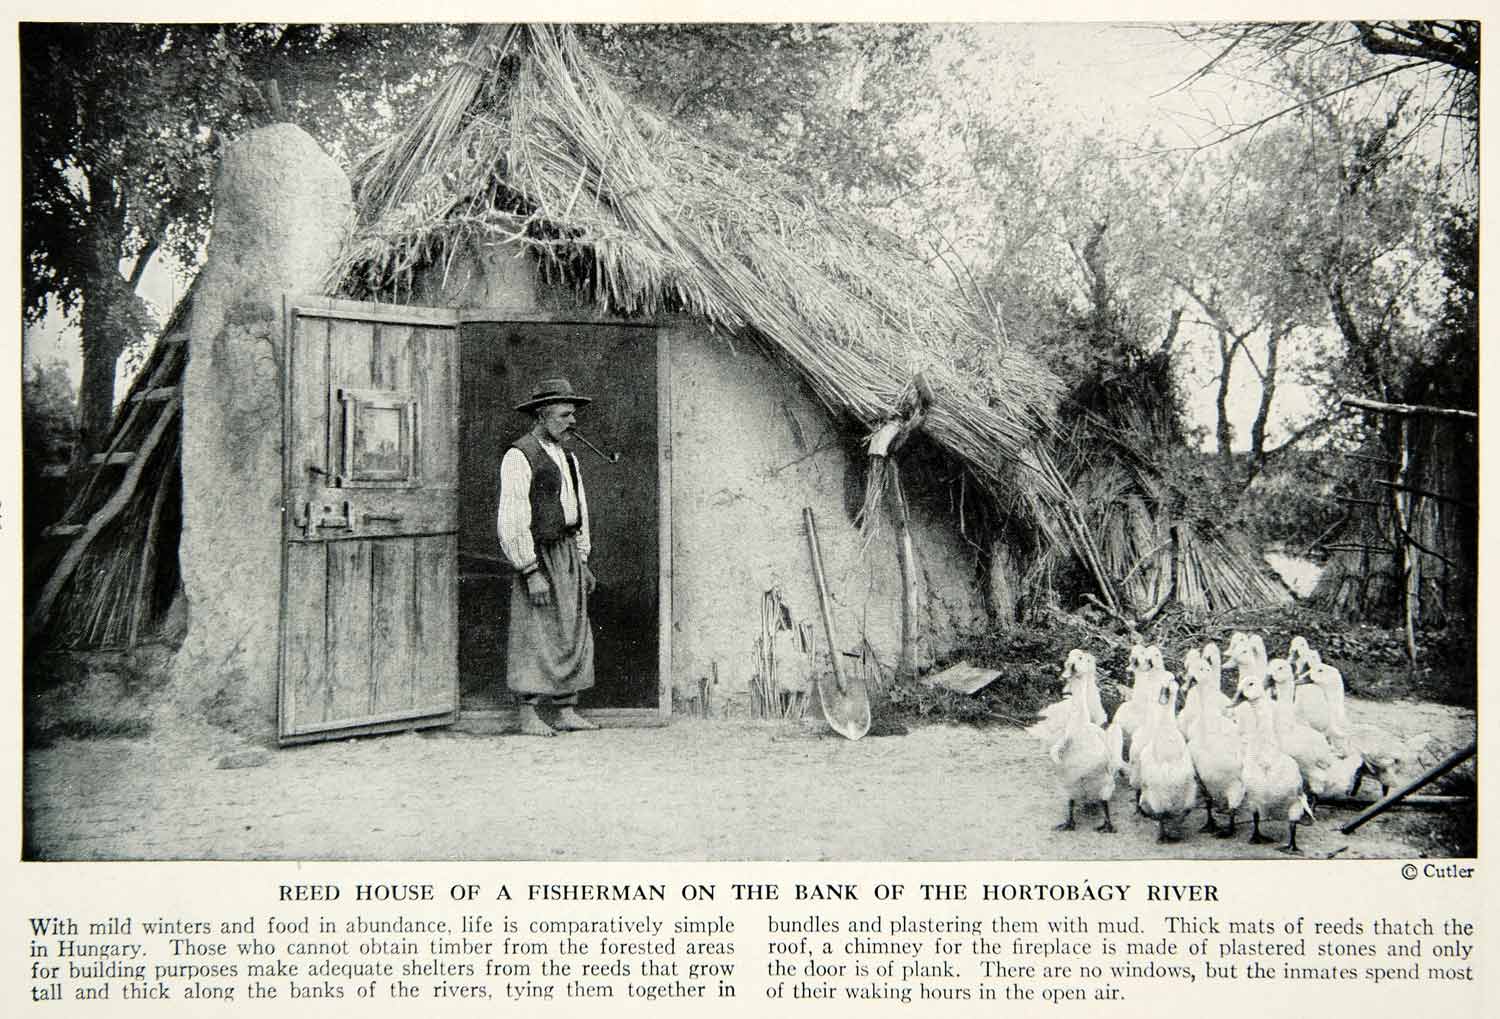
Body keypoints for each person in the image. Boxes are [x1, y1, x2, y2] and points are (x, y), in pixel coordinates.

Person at [496, 377, 599, 737]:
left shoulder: (566, 456)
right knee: (535, 631)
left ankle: (565, 709)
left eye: (573, 414)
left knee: (572, 629)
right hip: (539, 554)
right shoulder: (519, 455)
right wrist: (529, 569)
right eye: (565, 415)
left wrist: (582, 559)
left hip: (568, 553)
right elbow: (512, 518)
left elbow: (579, 509)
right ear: (542, 414)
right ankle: (527, 714)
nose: (573, 422)